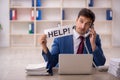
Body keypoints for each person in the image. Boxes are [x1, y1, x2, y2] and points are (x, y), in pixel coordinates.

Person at [39, 8, 106, 75]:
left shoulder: (94, 38)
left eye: (87, 24)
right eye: (81, 21)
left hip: (85, 75)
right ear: (76, 20)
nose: (83, 26)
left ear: (91, 26)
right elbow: (52, 63)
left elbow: (101, 63)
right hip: (65, 75)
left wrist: (93, 44)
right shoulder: (60, 37)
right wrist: (44, 47)